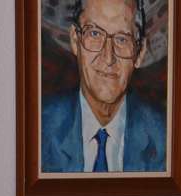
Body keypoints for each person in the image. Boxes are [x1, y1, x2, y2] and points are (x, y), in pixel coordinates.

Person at [41, 0, 166, 173]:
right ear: (75, 40)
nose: (108, 58)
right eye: (94, 34)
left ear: (140, 52)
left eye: (122, 39)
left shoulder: (163, 139)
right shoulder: (40, 129)